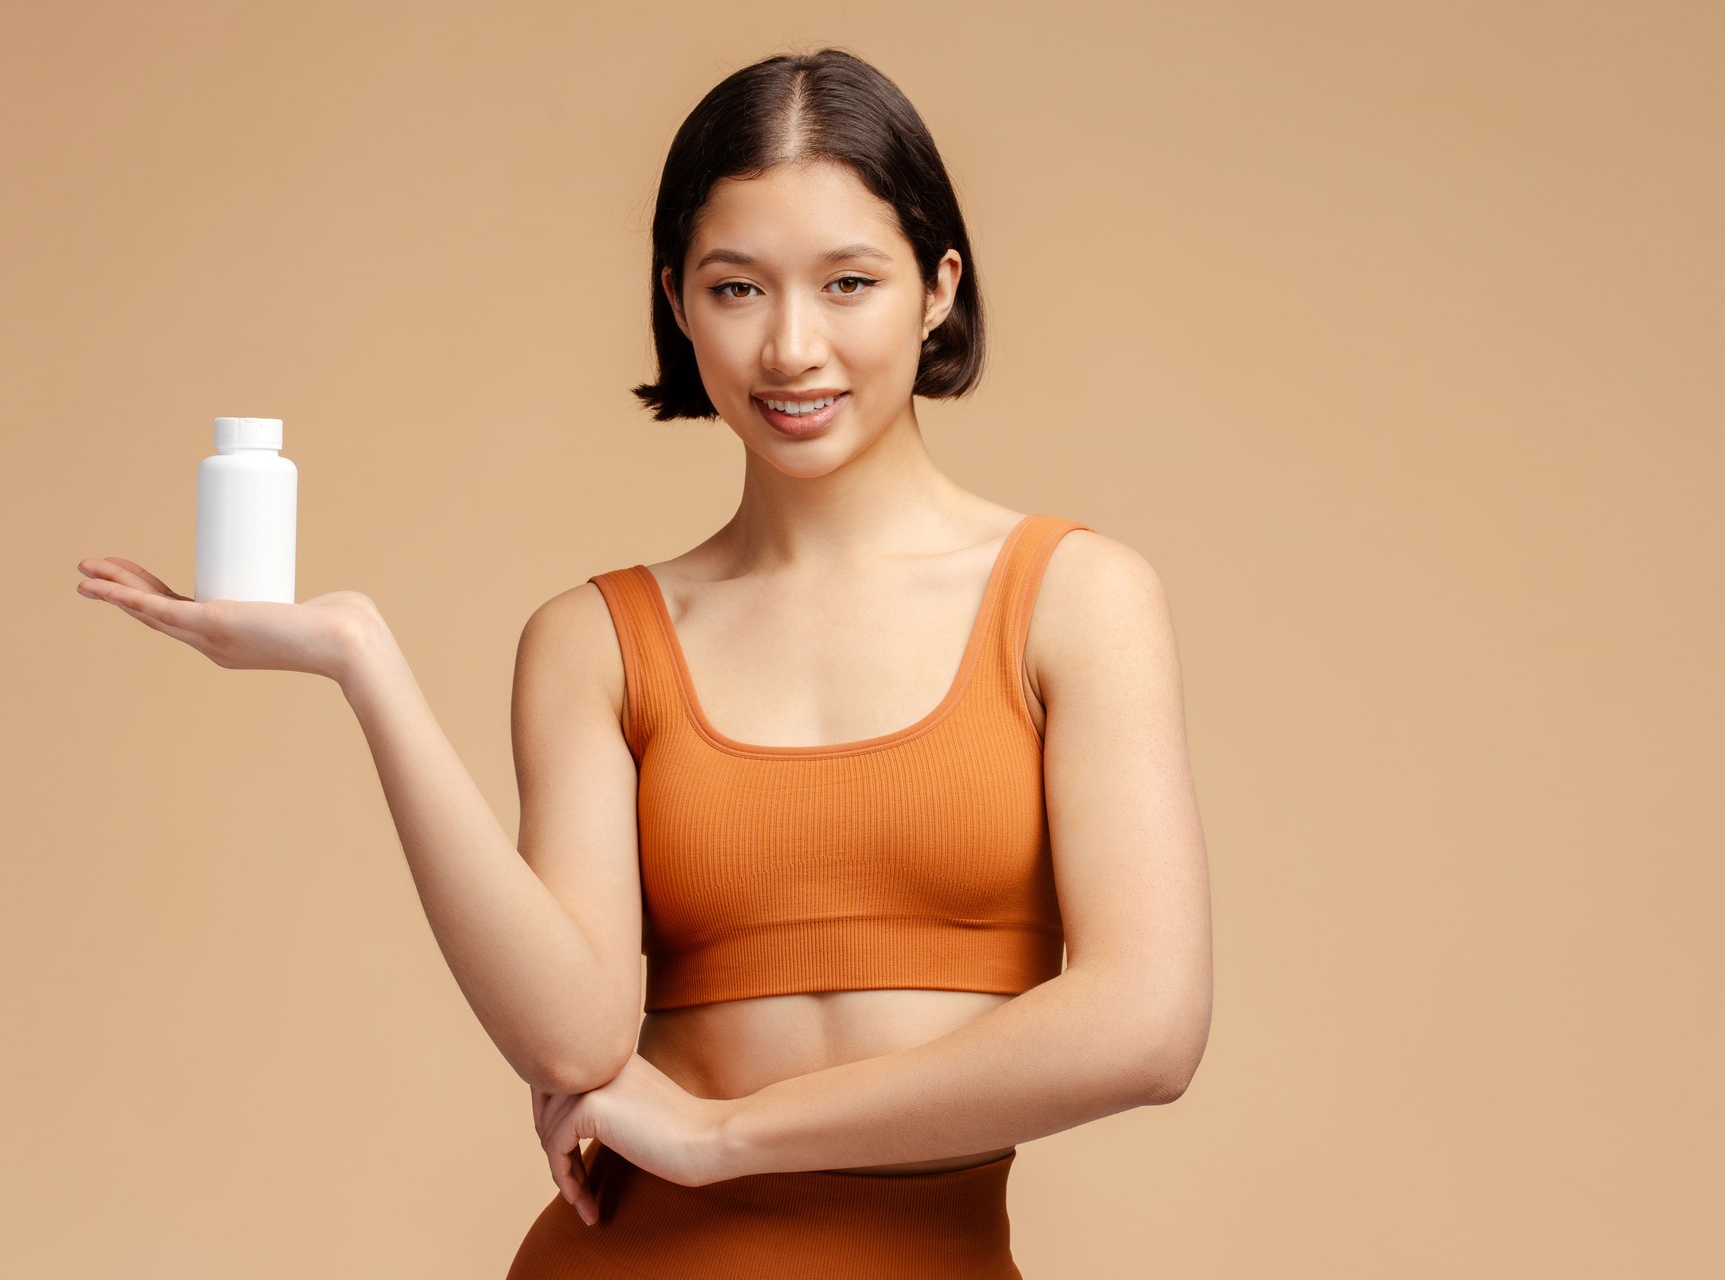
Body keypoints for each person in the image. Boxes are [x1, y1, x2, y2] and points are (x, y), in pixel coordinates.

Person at [75, 45, 1212, 1279]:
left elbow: (1145, 1027)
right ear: (676, 298)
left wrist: (726, 1134)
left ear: (939, 287)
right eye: (737, 289)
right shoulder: (594, 642)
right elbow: (571, 1038)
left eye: (847, 282)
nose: (790, 348)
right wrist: (363, 661)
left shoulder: (1079, 599)